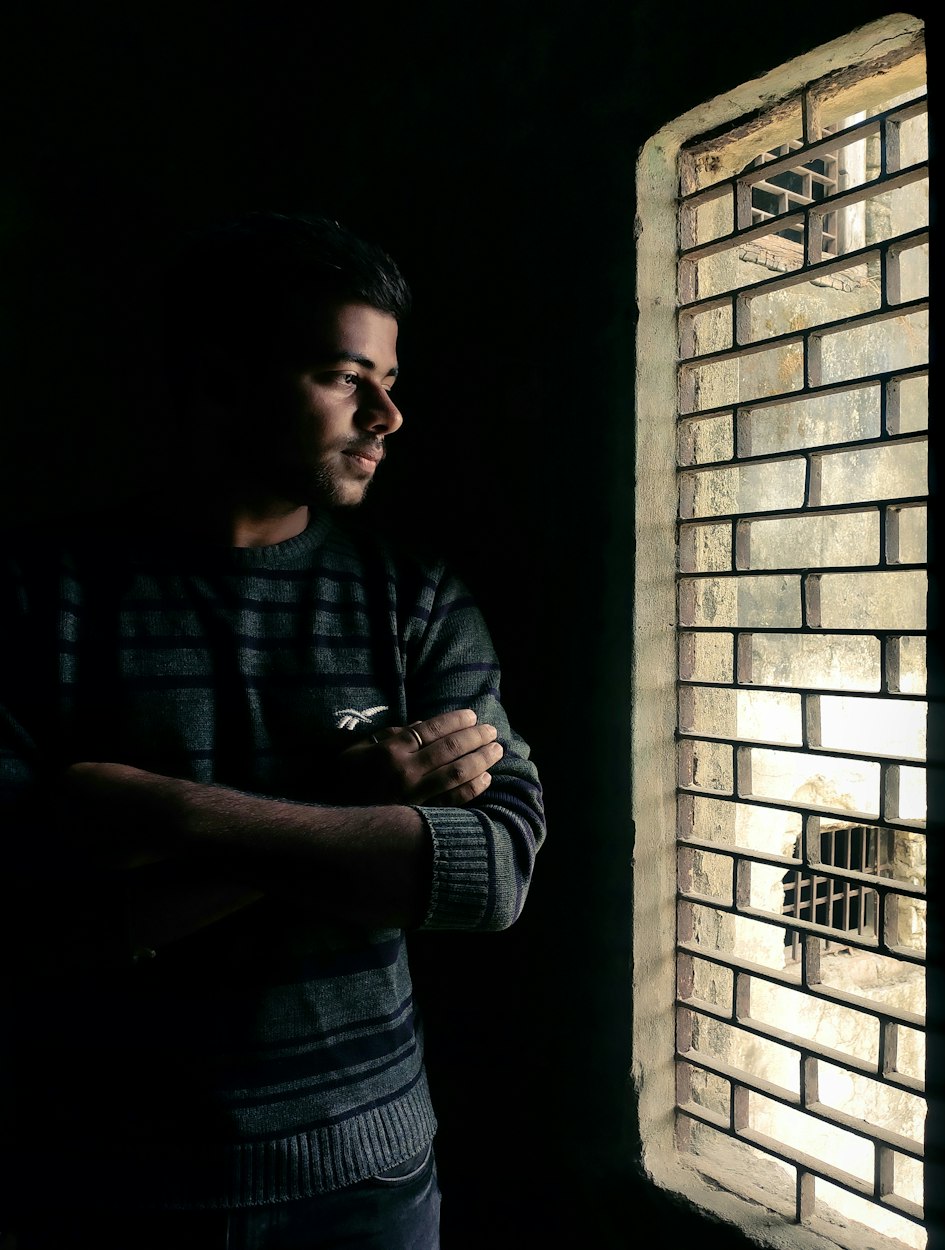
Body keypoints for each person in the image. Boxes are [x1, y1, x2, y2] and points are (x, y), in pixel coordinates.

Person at [0, 211, 546, 1249]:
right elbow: (29, 921)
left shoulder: (412, 600)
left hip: (365, 1184)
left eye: (389, 378)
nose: (388, 415)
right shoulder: (36, 599)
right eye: (346, 376)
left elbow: (489, 874)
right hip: (96, 1186)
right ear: (218, 382)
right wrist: (361, 809)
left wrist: (156, 813)